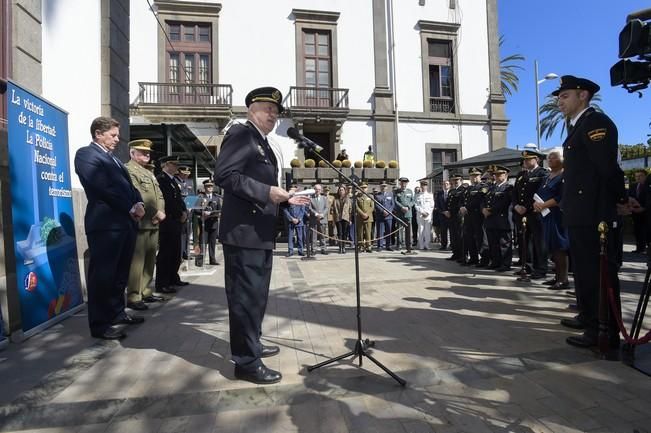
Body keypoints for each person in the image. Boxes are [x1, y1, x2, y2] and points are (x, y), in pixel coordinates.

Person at [214, 86, 310, 384]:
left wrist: (284, 197)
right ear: (250, 109)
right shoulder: (242, 135)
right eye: (267, 108)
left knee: (256, 296)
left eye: (276, 110)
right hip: (243, 233)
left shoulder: (263, 143)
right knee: (244, 298)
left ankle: (252, 343)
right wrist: (267, 192)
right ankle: (245, 362)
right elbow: (225, 176)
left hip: (258, 232)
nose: (273, 114)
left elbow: (260, 184)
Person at [554, 75, 627, 351]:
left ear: (582, 95)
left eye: (565, 96)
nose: (559, 101)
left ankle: (603, 331)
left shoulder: (595, 123)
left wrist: (620, 198)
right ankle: (588, 316)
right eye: (559, 97)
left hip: (595, 212)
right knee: (584, 270)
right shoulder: (577, 126)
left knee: (599, 272)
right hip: (580, 212)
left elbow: (607, 168)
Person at [74, 116, 145, 340]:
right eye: (113, 135)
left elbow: (130, 187)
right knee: (103, 275)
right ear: (98, 133)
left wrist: (139, 202)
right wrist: (130, 207)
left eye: (117, 135)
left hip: (124, 223)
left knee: (119, 273)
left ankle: (116, 313)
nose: (117, 140)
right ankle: (99, 324)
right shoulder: (86, 155)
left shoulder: (113, 159)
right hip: (105, 225)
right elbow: (101, 187)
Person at [125, 139, 166, 311]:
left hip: (154, 222)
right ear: (132, 153)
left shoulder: (148, 172)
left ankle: (146, 291)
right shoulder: (129, 170)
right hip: (141, 222)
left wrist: (161, 212)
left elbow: (159, 196)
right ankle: (134, 296)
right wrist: (155, 212)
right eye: (142, 152)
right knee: (137, 261)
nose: (147, 155)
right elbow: (138, 194)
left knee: (150, 259)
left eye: (148, 153)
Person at [533, 150, 569, 290]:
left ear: (562, 160)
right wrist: (536, 204)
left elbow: (562, 196)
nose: (550, 160)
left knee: (560, 247)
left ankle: (563, 279)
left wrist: (544, 205)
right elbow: (540, 193)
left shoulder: (564, 176)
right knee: (552, 247)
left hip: (558, 216)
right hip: (545, 215)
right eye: (549, 158)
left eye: (554, 158)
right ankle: (557, 277)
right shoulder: (547, 177)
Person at [512, 149, 549, 279]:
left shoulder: (542, 173)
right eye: (525, 160)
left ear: (537, 160)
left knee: (539, 241)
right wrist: (516, 205)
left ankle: (541, 268)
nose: (526, 161)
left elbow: (541, 193)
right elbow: (515, 193)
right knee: (524, 241)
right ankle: (526, 266)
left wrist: (526, 207)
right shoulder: (521, 174)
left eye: (529, 159)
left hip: (534, 212)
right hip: (521, 214)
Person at [156, 156, 188, 294]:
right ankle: (162, 283)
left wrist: (184, 211)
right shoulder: (161, 179)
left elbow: (179, 199)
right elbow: (167, 201)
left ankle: (173, 277)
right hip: (168, 220)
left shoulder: (173, 181)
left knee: (175, 251)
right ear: (166, 165)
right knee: (166, 253)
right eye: (174, 164)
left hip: (176, 220)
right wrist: (179, 213)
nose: (177, 167)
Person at [482, 166, 513, 272]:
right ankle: (495, 262)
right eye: (495, 174)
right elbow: (483, 200)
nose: (497, 176)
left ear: (506, 175)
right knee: (493, 242)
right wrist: (483, 209)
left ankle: (505, 264)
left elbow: (504, 203)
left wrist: (490, 210)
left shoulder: (508, 187)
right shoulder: (491, 188)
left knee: (504, 243)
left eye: (500, 174)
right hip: (490, 219)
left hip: (502, 219)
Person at [460, 167, 488, 265]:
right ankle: (473, 258)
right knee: (469, 237)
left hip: (478, 216)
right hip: (468, 216)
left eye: (476, 176)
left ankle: (484, 259)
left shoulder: (483, 187)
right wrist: (461, 207)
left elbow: (479, 200)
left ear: (480, 176)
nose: (474, 178)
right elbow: (462, 200)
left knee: (480, 238)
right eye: (472, 176)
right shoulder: (468, 188)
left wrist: (466, 207)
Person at [202, 179, 221, 265]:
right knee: (203, 242)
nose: (210, 188)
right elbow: (196, 210)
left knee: (212, 242)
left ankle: (212, 259)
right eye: (208, 186)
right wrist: (203, 213)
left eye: (211, 186)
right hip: (204, 223)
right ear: (205, 187)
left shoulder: (216, 198)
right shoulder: (201, 197)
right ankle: (200, 260)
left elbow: (220, 209)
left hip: (214, 223)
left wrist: (216, 213)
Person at [284, 186, 306, 257]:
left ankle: (300, 251)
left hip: (299, 221)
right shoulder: (287, 200)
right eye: (291, 191)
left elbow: (302, 209)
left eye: (293, 191)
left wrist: (299, 219)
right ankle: (290, 251)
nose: (292, 192)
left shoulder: (300, 199)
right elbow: (285, 210)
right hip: (291, 221)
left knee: (300, 237)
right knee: (290, 237)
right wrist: (291, 218)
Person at [629, 169, 647, 254]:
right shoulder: (632, 186)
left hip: (646, 212)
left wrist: (643, 208)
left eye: (640, 176)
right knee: (637, 230)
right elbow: (629, 197)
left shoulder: (648, 186)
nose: (638, 178)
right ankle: (639, 248)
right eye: (636, 176)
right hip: (635, 212)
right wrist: (632, 208)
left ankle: (644, 248)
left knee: (644, 230)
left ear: (645, 177)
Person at [394, 177, 415, 251]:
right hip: (400, 213)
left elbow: (413, 201)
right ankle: (399, 244)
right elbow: (395, 201)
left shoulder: (410, 191)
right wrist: (402, 207)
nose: (404, 184)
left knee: (409, 229)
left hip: (408, 213)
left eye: (405, 183)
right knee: (399, 229)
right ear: (400, 183)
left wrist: (408, 207)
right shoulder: (397, 191)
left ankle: (409, 244)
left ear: (407, 183)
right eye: (402, 182)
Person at [308, 183, 329, 254]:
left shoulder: (324, 198)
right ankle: (314, 249)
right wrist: (316, 214)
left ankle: (323, 248)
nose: (318, 191)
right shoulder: (311, 198)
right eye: (316, 189)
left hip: (322, 219)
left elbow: (326, 208)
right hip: (314, 219)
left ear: (321, 190)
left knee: (323, 235)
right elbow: (309, 208)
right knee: (314, 235)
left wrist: (322, 214)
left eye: (319, 189)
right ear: (314, 190)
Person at [375, 182, 395, 251]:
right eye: (382, 186)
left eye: (385, 186)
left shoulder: (390, 194)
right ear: (380, 187)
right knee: (380, 231)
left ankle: (388, 246)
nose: (383, 188)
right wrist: (383, 211)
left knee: (388, 231)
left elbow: (392, 204)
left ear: (387, 187)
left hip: (389, 216)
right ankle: (380, 246)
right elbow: (376, 205)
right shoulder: (377, 195)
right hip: (380, 216)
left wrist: (388, 211)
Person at [415, 181, 434, 250]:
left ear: (427, 186)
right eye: (422, 185)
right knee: (420, 230)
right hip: (420, 215)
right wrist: (422, 212)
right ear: (420, 186)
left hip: (428, 215)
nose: (423, 187)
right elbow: (416, 205)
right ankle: (421, 245)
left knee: (427, 230)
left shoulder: (430, 195)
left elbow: (432, 205)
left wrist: (427, 213)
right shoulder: (417, 195)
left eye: (425, 185)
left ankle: (426, 244)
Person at [333, 184, 352, 254]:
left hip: (345, 218)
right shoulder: (335, 199)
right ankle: (340, 247)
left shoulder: (348, 199)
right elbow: (334, 210)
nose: (341, 191)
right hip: (338, 218)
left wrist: (350, 219)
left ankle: (344, 247)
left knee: (345, 233)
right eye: (340, 190)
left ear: (345, 191)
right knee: (339, 233)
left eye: (342, 190)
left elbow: (350, 210)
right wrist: (334, 220)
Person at [356, 183, 375, 252]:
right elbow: (356, 207)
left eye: (365, 188)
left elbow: (372, 207)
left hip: (368, 217)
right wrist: (362, 214)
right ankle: (361, 246)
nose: (363, 189)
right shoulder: (357, 196)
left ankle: (368, 246)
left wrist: (367, 214)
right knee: (360, 232)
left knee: (368, 232)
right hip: (360, 217)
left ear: (367, 188)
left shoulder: (370, 196)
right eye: (362, 188)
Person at [435, 180, 451, 250]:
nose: (445, 185)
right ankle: (443, 245)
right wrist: (444, 212)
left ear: (449, 185)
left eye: (447, 184)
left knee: (452, 231)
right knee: (443, 231)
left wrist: (449, 212)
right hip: (442, 215)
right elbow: (437, 205)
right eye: (444, 184)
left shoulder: (452, 192)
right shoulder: (439, 193)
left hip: (451, 215)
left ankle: (452, 245)